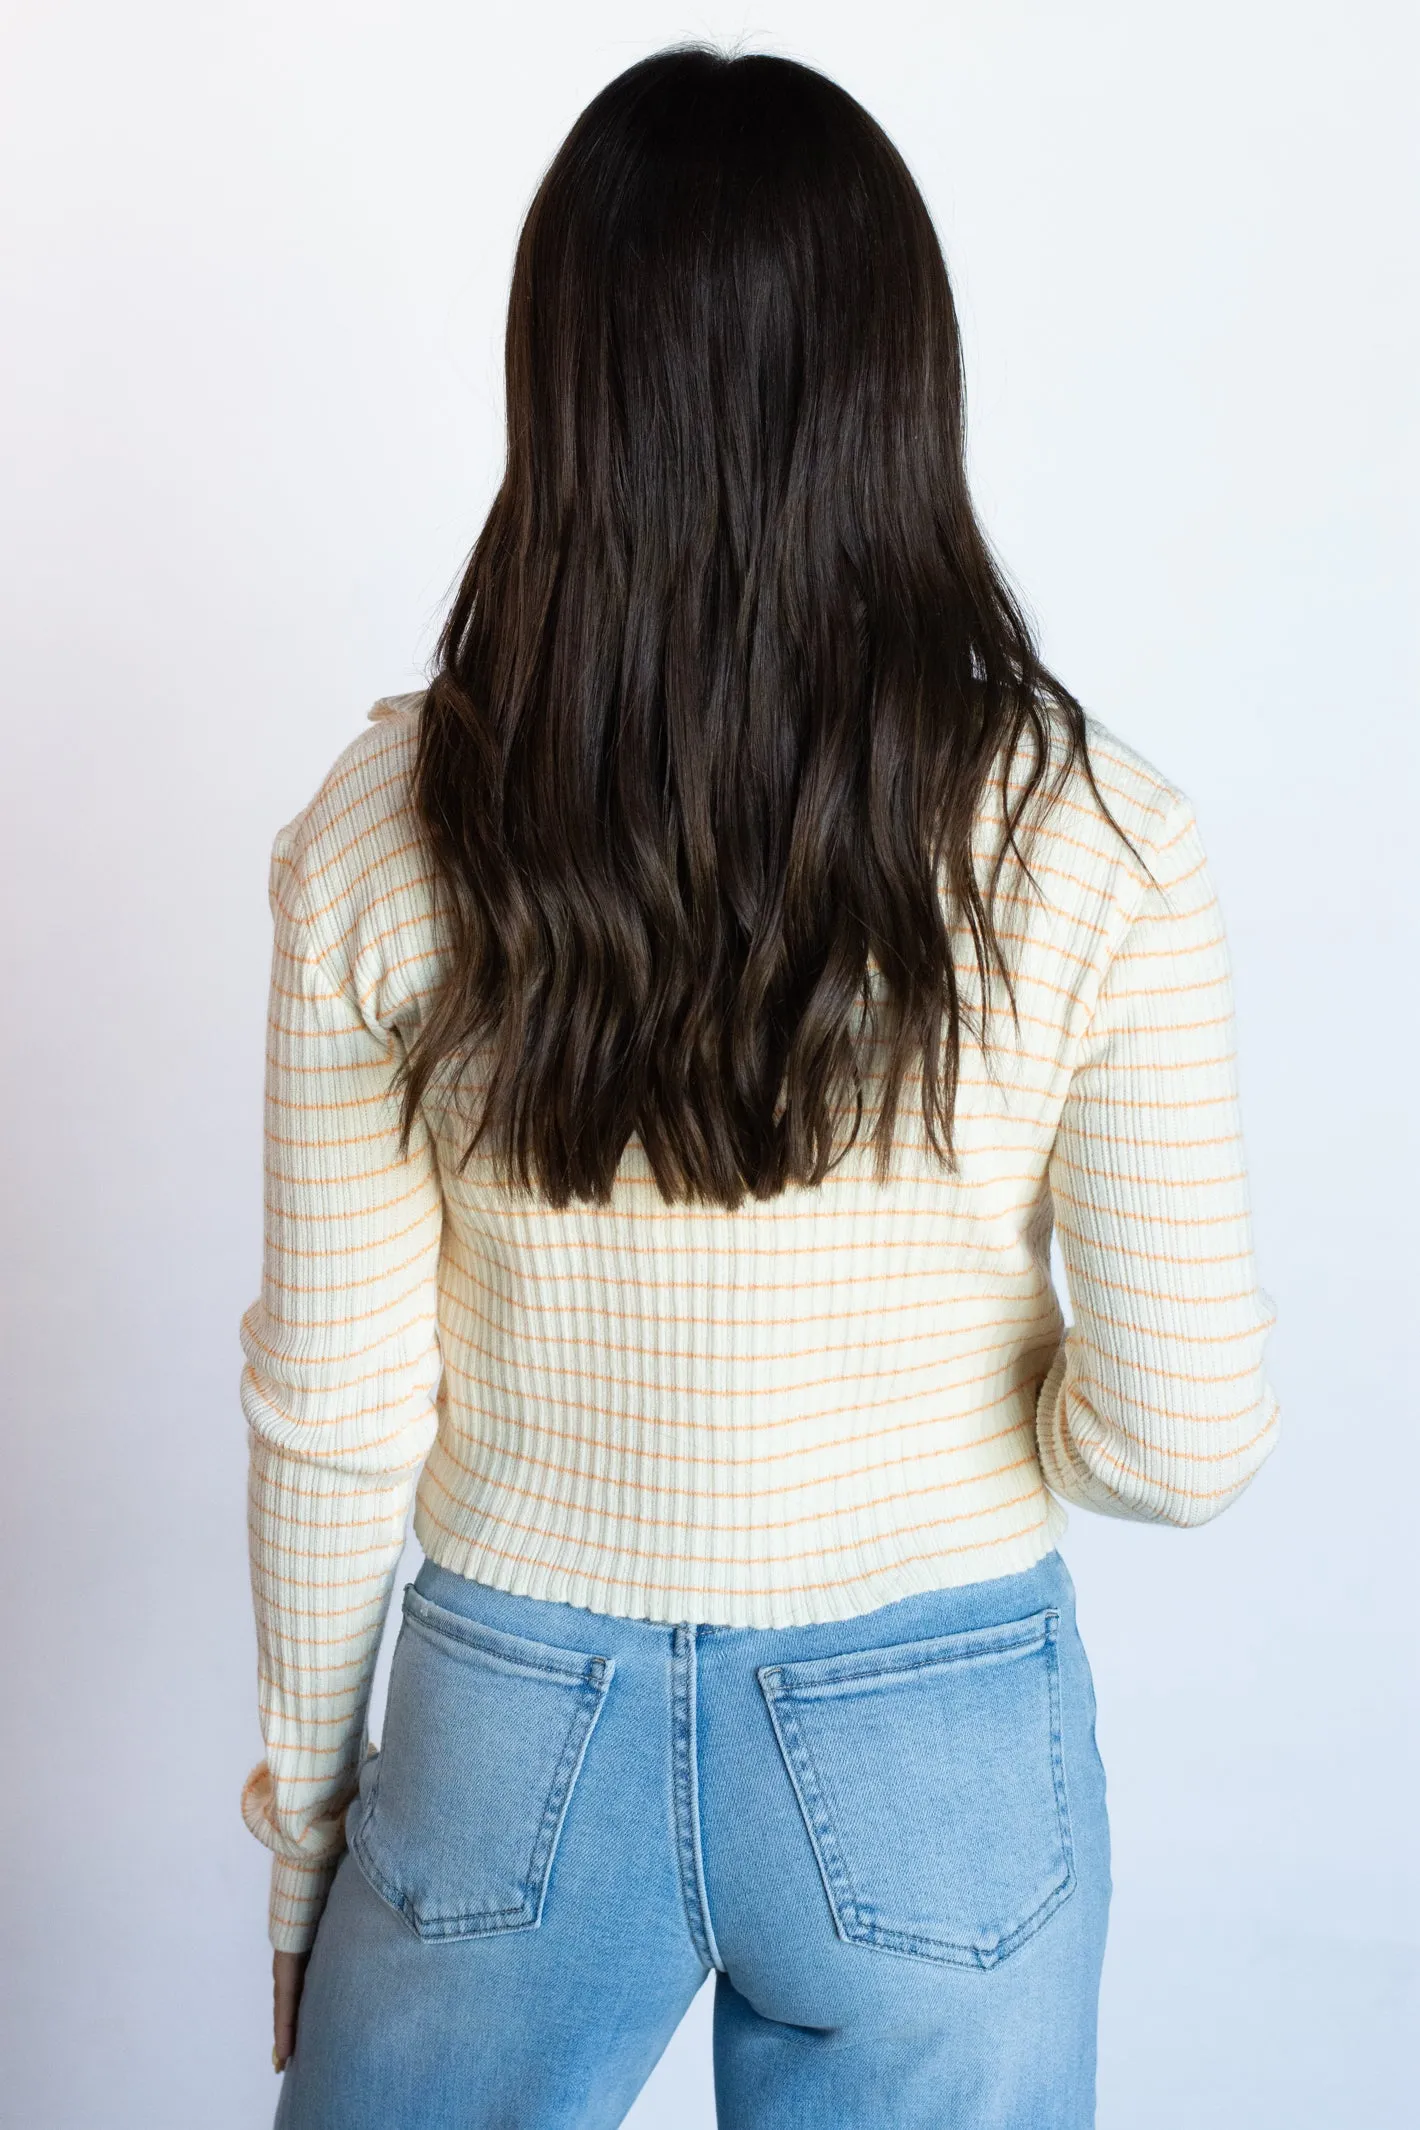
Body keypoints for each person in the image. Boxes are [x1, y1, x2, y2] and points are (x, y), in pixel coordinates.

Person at [238, 45, 1278, 2130]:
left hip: (508, 1711)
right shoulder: (1095, 838)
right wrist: (981, 1411)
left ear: (565, 383)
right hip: (939, 1716)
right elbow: (1182, 1442)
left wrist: (308, 1863)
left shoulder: (381, 828)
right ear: (900, 384)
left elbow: (336, 1414)